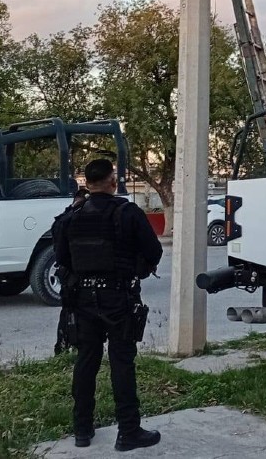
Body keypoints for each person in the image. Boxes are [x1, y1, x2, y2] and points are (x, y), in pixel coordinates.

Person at [54, 159, 163, 452]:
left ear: (87, 183)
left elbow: (60, 258)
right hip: (118, 298)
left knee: (86, 360)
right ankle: (128, 431)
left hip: (82, 301)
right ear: (112, 182)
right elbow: (154, 251)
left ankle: (82, 429)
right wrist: (134, 271)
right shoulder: (127, 213)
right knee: (122, 362)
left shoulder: (70, 217)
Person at [52, 186, 90, 355]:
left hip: (74, 283)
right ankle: (66, 346)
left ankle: (66, 348)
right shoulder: (119, 212)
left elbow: (60, 255)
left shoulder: (65, 219)